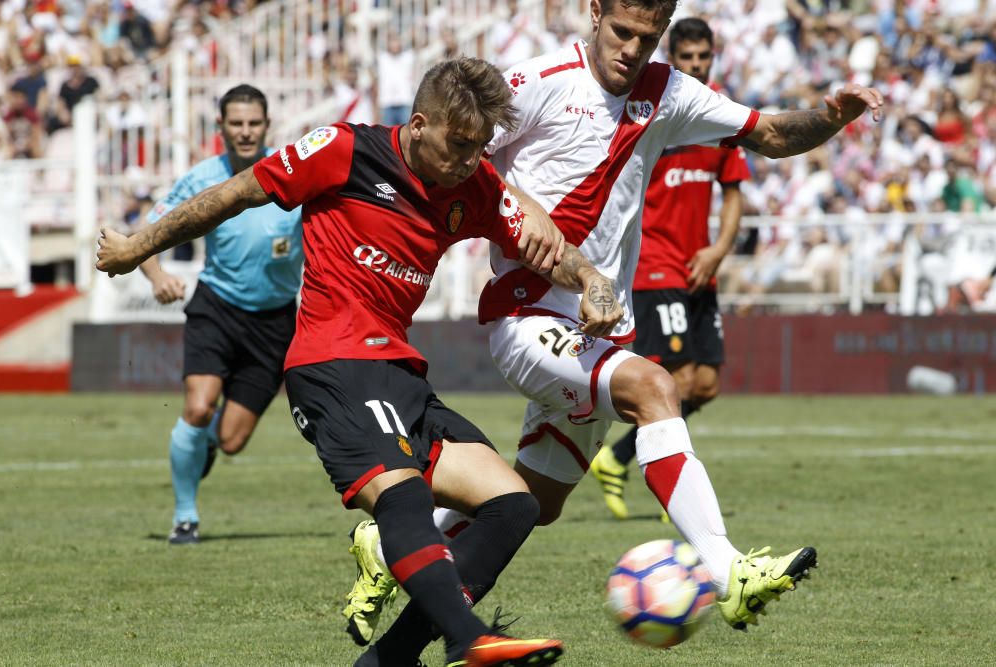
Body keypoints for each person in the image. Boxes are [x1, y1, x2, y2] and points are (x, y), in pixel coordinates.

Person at [344, 0, 885, 655]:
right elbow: (458, 153)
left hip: (601, 327)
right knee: (655, 387)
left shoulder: (670, 93)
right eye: (622, 32)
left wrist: (831, 117)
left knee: (532, 503)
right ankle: (727, 570)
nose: (632, 48)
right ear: (594, 12)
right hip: (526, 314)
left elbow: (769, 134)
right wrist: (514, 212)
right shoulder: (538, 82)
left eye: (647, 37)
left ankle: (398, 544)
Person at [97, 56, 626, 667]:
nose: (469, 160)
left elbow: (543, 244)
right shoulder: (343, 150)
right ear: (420, 123)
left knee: (515, 505)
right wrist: (139, 247)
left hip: (402, 374)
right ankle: (467, 638)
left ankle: (389, 660)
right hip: (332, 365)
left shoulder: (473, 184)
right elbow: (233, 195)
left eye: (480, 147)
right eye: (458, 144)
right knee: (400, 500)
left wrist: (591, 279)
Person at [589, 17, 750, 521]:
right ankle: (675, 486)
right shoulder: (651, 109)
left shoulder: (719, 117)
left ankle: (614, 459)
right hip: (655, 267)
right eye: (688, 58)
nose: (697, 65)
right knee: (675, 376)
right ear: (671, 59)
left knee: (706, 386)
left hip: (699, 267)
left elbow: (733, 194)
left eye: (705, 57)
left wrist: (718, 250)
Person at [136, 84, 304, 545]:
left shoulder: (294, 174)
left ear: (267, 126)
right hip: (216, 308)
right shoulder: (202, 178)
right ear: (221, 128)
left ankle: (203, 443)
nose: (245, 132)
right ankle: (185, 517)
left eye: (253, 123)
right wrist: (157, 278)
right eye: (236, 124)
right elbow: (148, 234)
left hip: (274, 322)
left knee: (230, 441)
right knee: (197, 406)